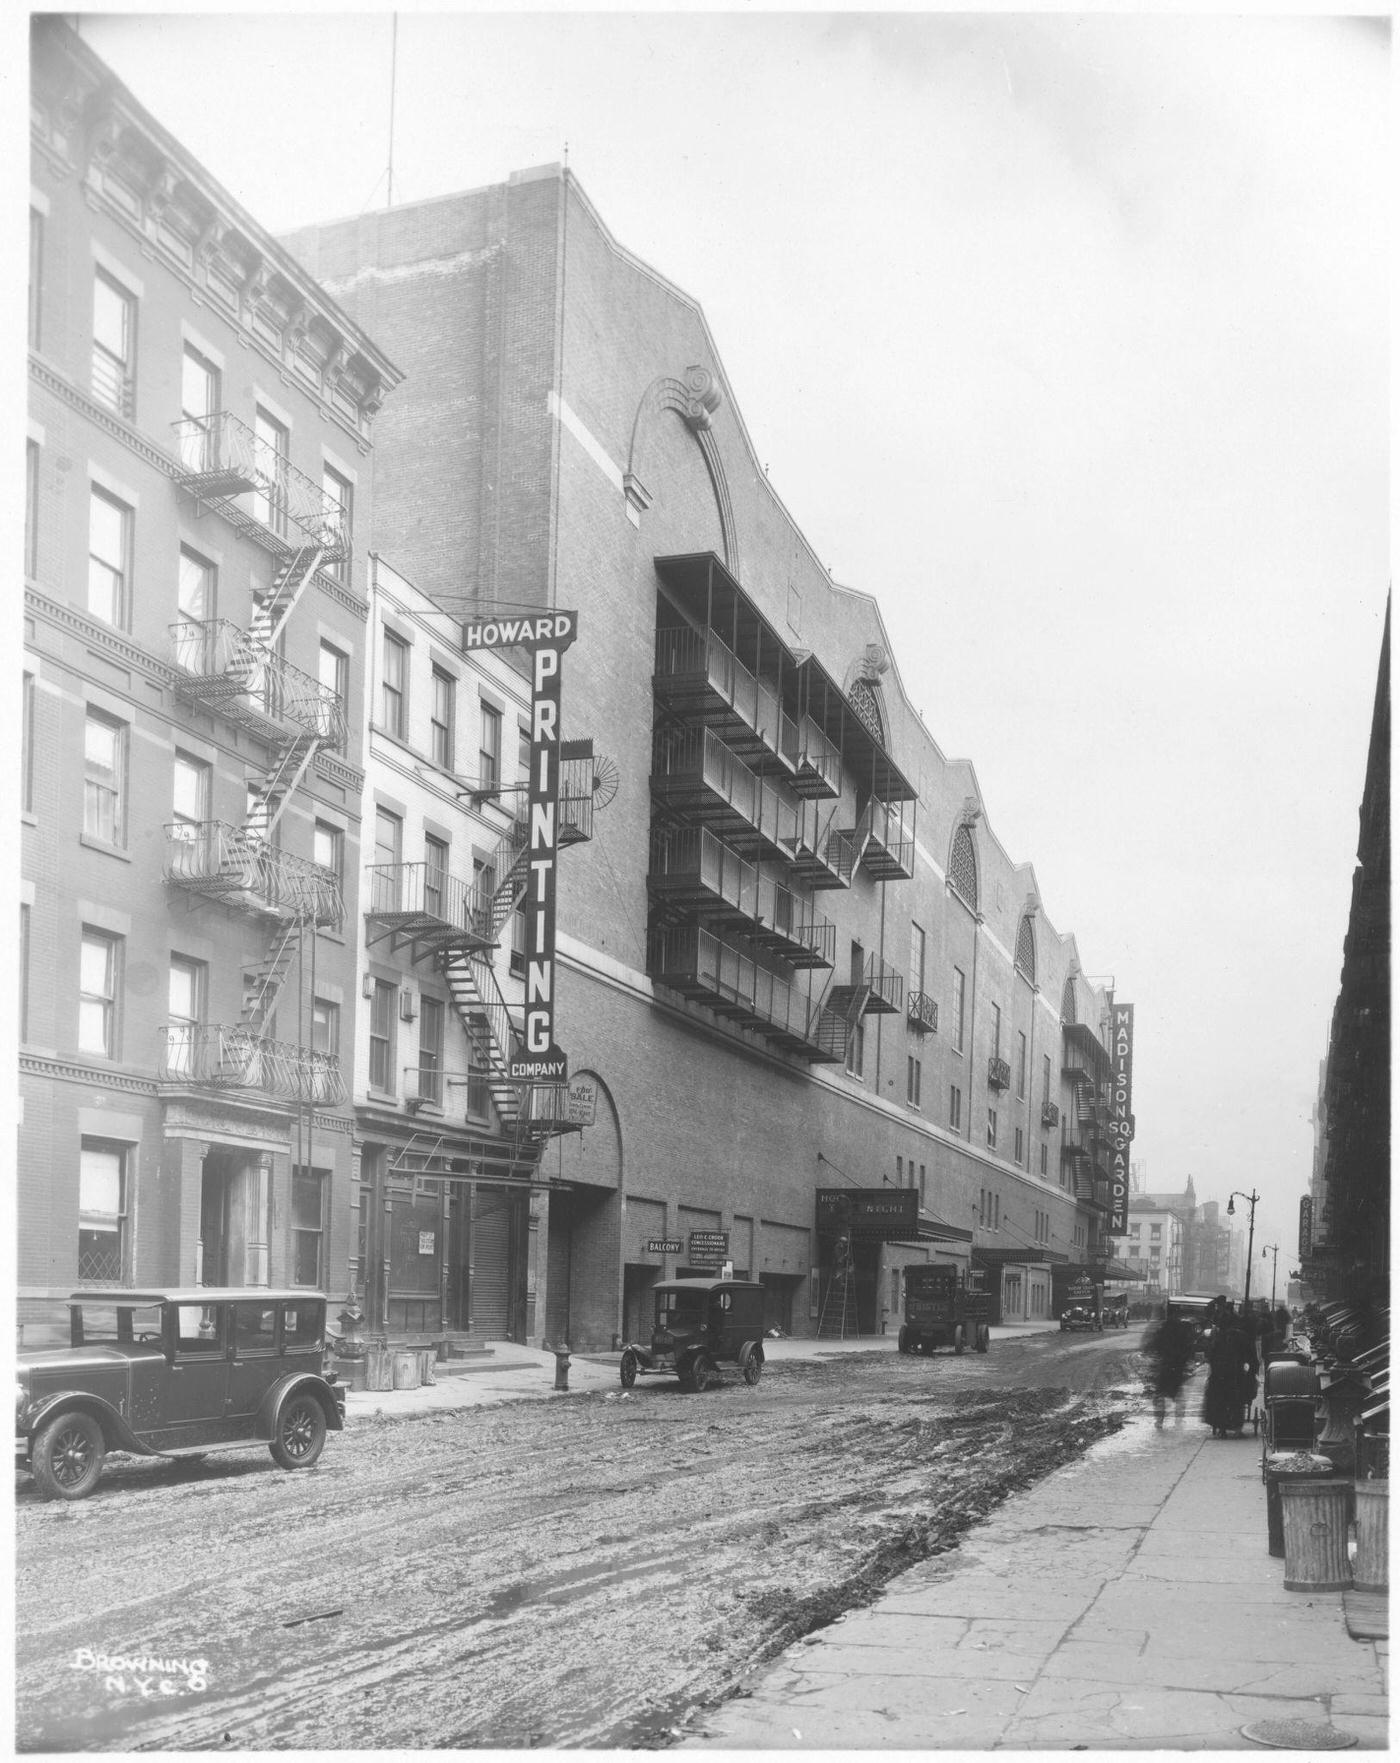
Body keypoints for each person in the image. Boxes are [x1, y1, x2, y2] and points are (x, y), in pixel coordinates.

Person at [1202, 1301, 1259, 1438]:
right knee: (1237, 1401)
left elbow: (1209, 1355)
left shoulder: (1217, 1337)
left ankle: (1221, 1428)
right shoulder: (1241, 1336)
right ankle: (1236, 1427)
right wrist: (1253, 1370)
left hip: (1219, 1374)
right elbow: (1251, 1357)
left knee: (1219, 1400)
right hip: (1235, 1374)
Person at [1143, 1303, 1196, 1428]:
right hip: (1178, 1366)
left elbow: (1155, 1344)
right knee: (1178, 1394)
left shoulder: (1164, 1328)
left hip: (1166, 1365)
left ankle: (1159, 1421)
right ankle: (1178, 1420)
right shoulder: (1183, 1328)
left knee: (1160, 1394)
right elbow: (1189, 1347)